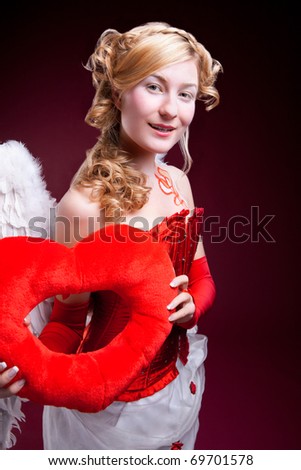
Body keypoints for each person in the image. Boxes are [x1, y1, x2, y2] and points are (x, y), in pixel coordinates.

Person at [0, 21, 221, 449]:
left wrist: (193, 304)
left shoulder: (179, 181)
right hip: (111, 414)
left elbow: (203, 277)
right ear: (119, 93)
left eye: (185, 94)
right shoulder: (82, 207)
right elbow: (65, 323)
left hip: (176, 385)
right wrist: (20, 370)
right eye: (154, 87)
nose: (171, 110)